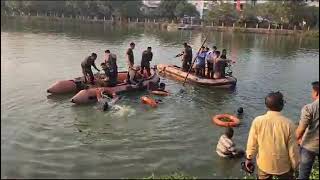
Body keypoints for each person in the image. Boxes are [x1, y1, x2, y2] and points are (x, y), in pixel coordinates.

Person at [245, 91, 299, 179]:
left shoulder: (258, 121)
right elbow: (293, 150)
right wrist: (295, 166)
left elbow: (252, 143)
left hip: (264, 164)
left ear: (267, 105)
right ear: (282, 105)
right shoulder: (289, 124)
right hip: (283, 166)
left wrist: (249, 158)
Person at [296, 81, 319, 180]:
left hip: (309, 147)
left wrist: (296, 140)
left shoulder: (309, 108)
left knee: (303, 175)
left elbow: (300, 129)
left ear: (316, 93)